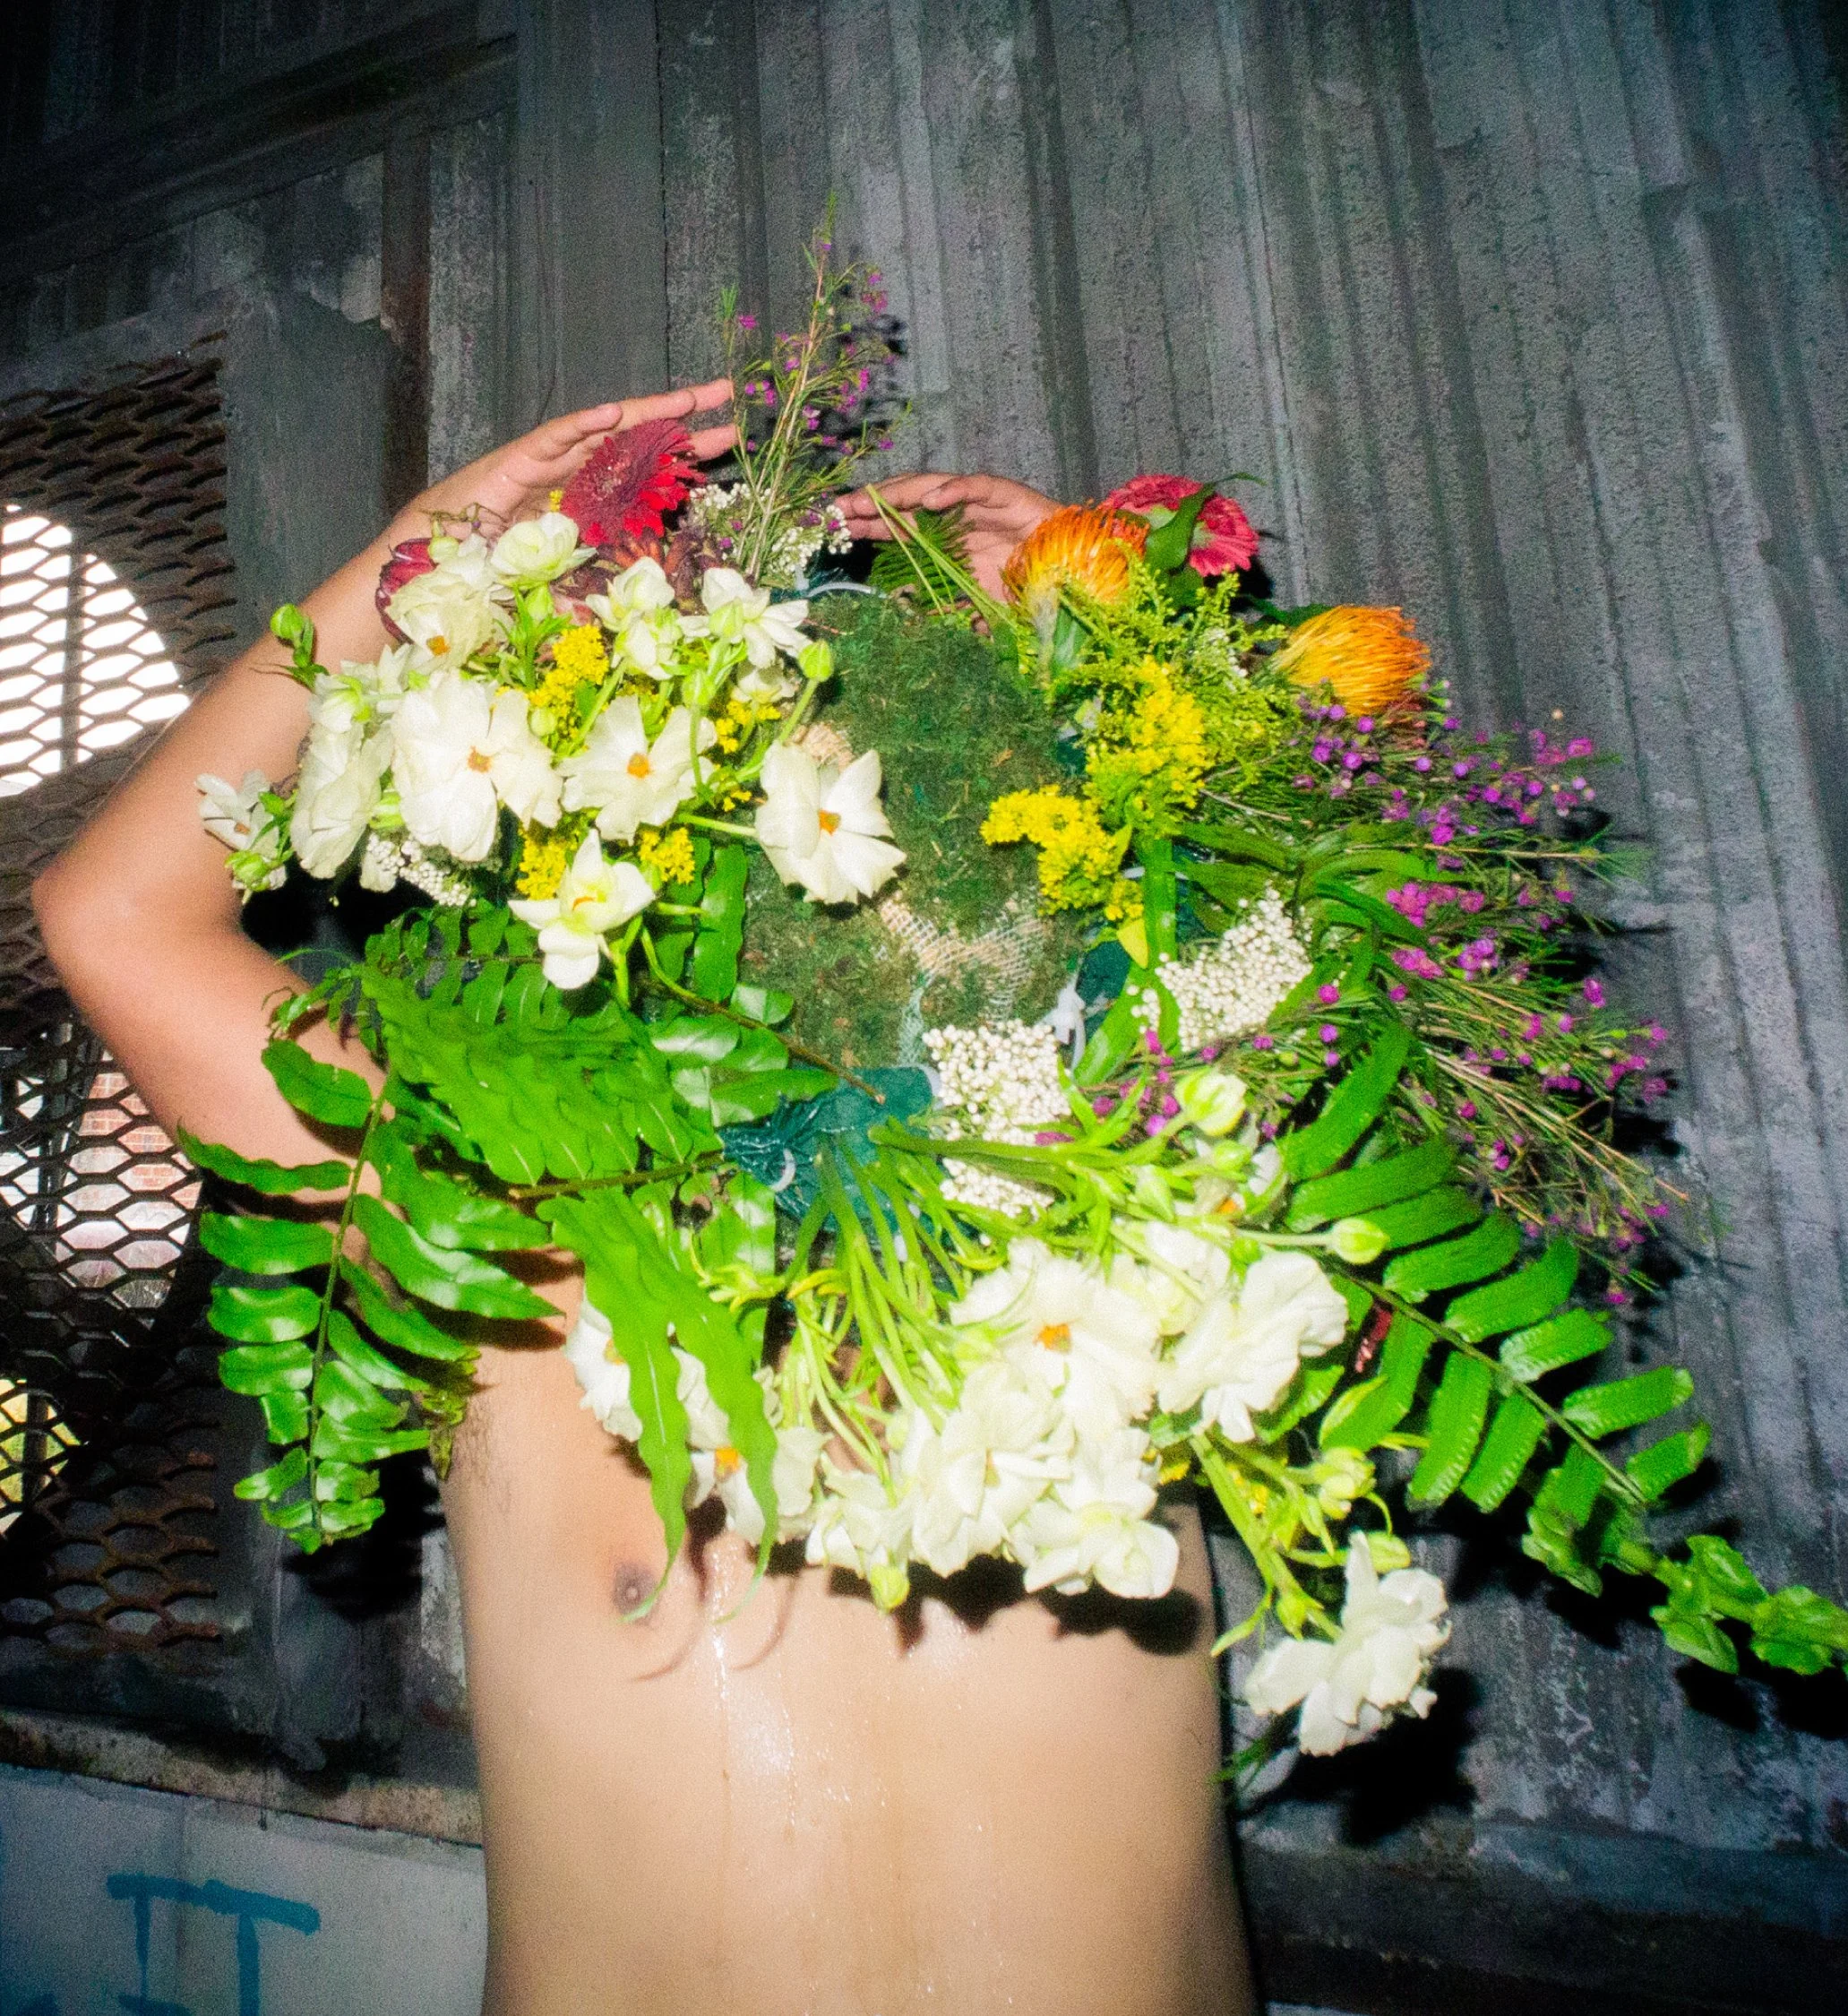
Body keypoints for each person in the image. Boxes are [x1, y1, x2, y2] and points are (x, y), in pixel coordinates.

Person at [33, 384, 1258, 2016]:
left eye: (914, 773)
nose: (849, 852)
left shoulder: (1140, 1182)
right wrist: (426, 558)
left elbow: (1331, 921)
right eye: (760, 786)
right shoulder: (490, 1213)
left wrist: (1120, 624)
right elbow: (116, 914)